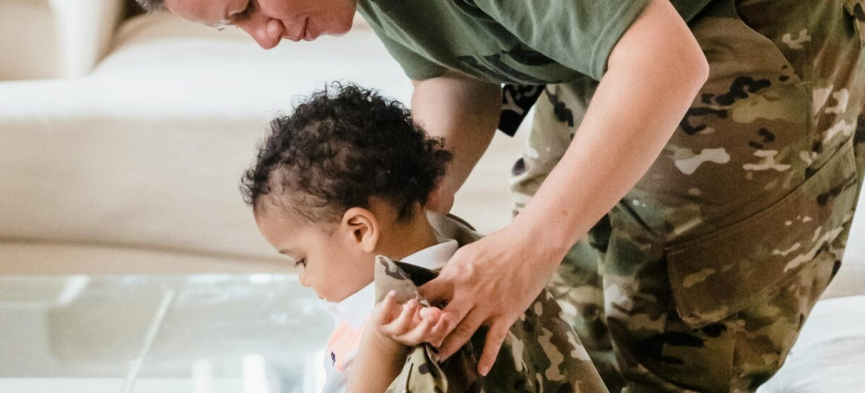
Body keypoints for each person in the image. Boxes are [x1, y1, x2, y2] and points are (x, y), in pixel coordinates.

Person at [114, 0, 865, 388]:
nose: (266, 38)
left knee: (684, 333)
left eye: (249, 4)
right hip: (618, 18)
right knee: (562, 314)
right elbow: (457, 81)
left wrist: (525, 251)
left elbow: (661, 60)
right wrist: (402, 224)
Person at [242, 83, 607, 393]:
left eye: (302, 259)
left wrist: (381, 345)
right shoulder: (475, 263)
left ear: (360, 230)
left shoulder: (419, 324)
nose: (304, 279)